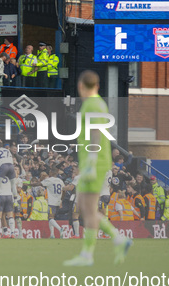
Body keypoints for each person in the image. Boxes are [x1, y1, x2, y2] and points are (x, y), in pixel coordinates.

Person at [64, 70, 132, 266]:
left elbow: (95, 133)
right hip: (95, 162)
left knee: (88, 208)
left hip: (95, 163)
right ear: (98, 86)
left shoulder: (92, 104)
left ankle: (90, 253)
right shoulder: (99, 103)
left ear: (80, 86)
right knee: (87, 208)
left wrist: (92, 162)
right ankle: (116, 240)